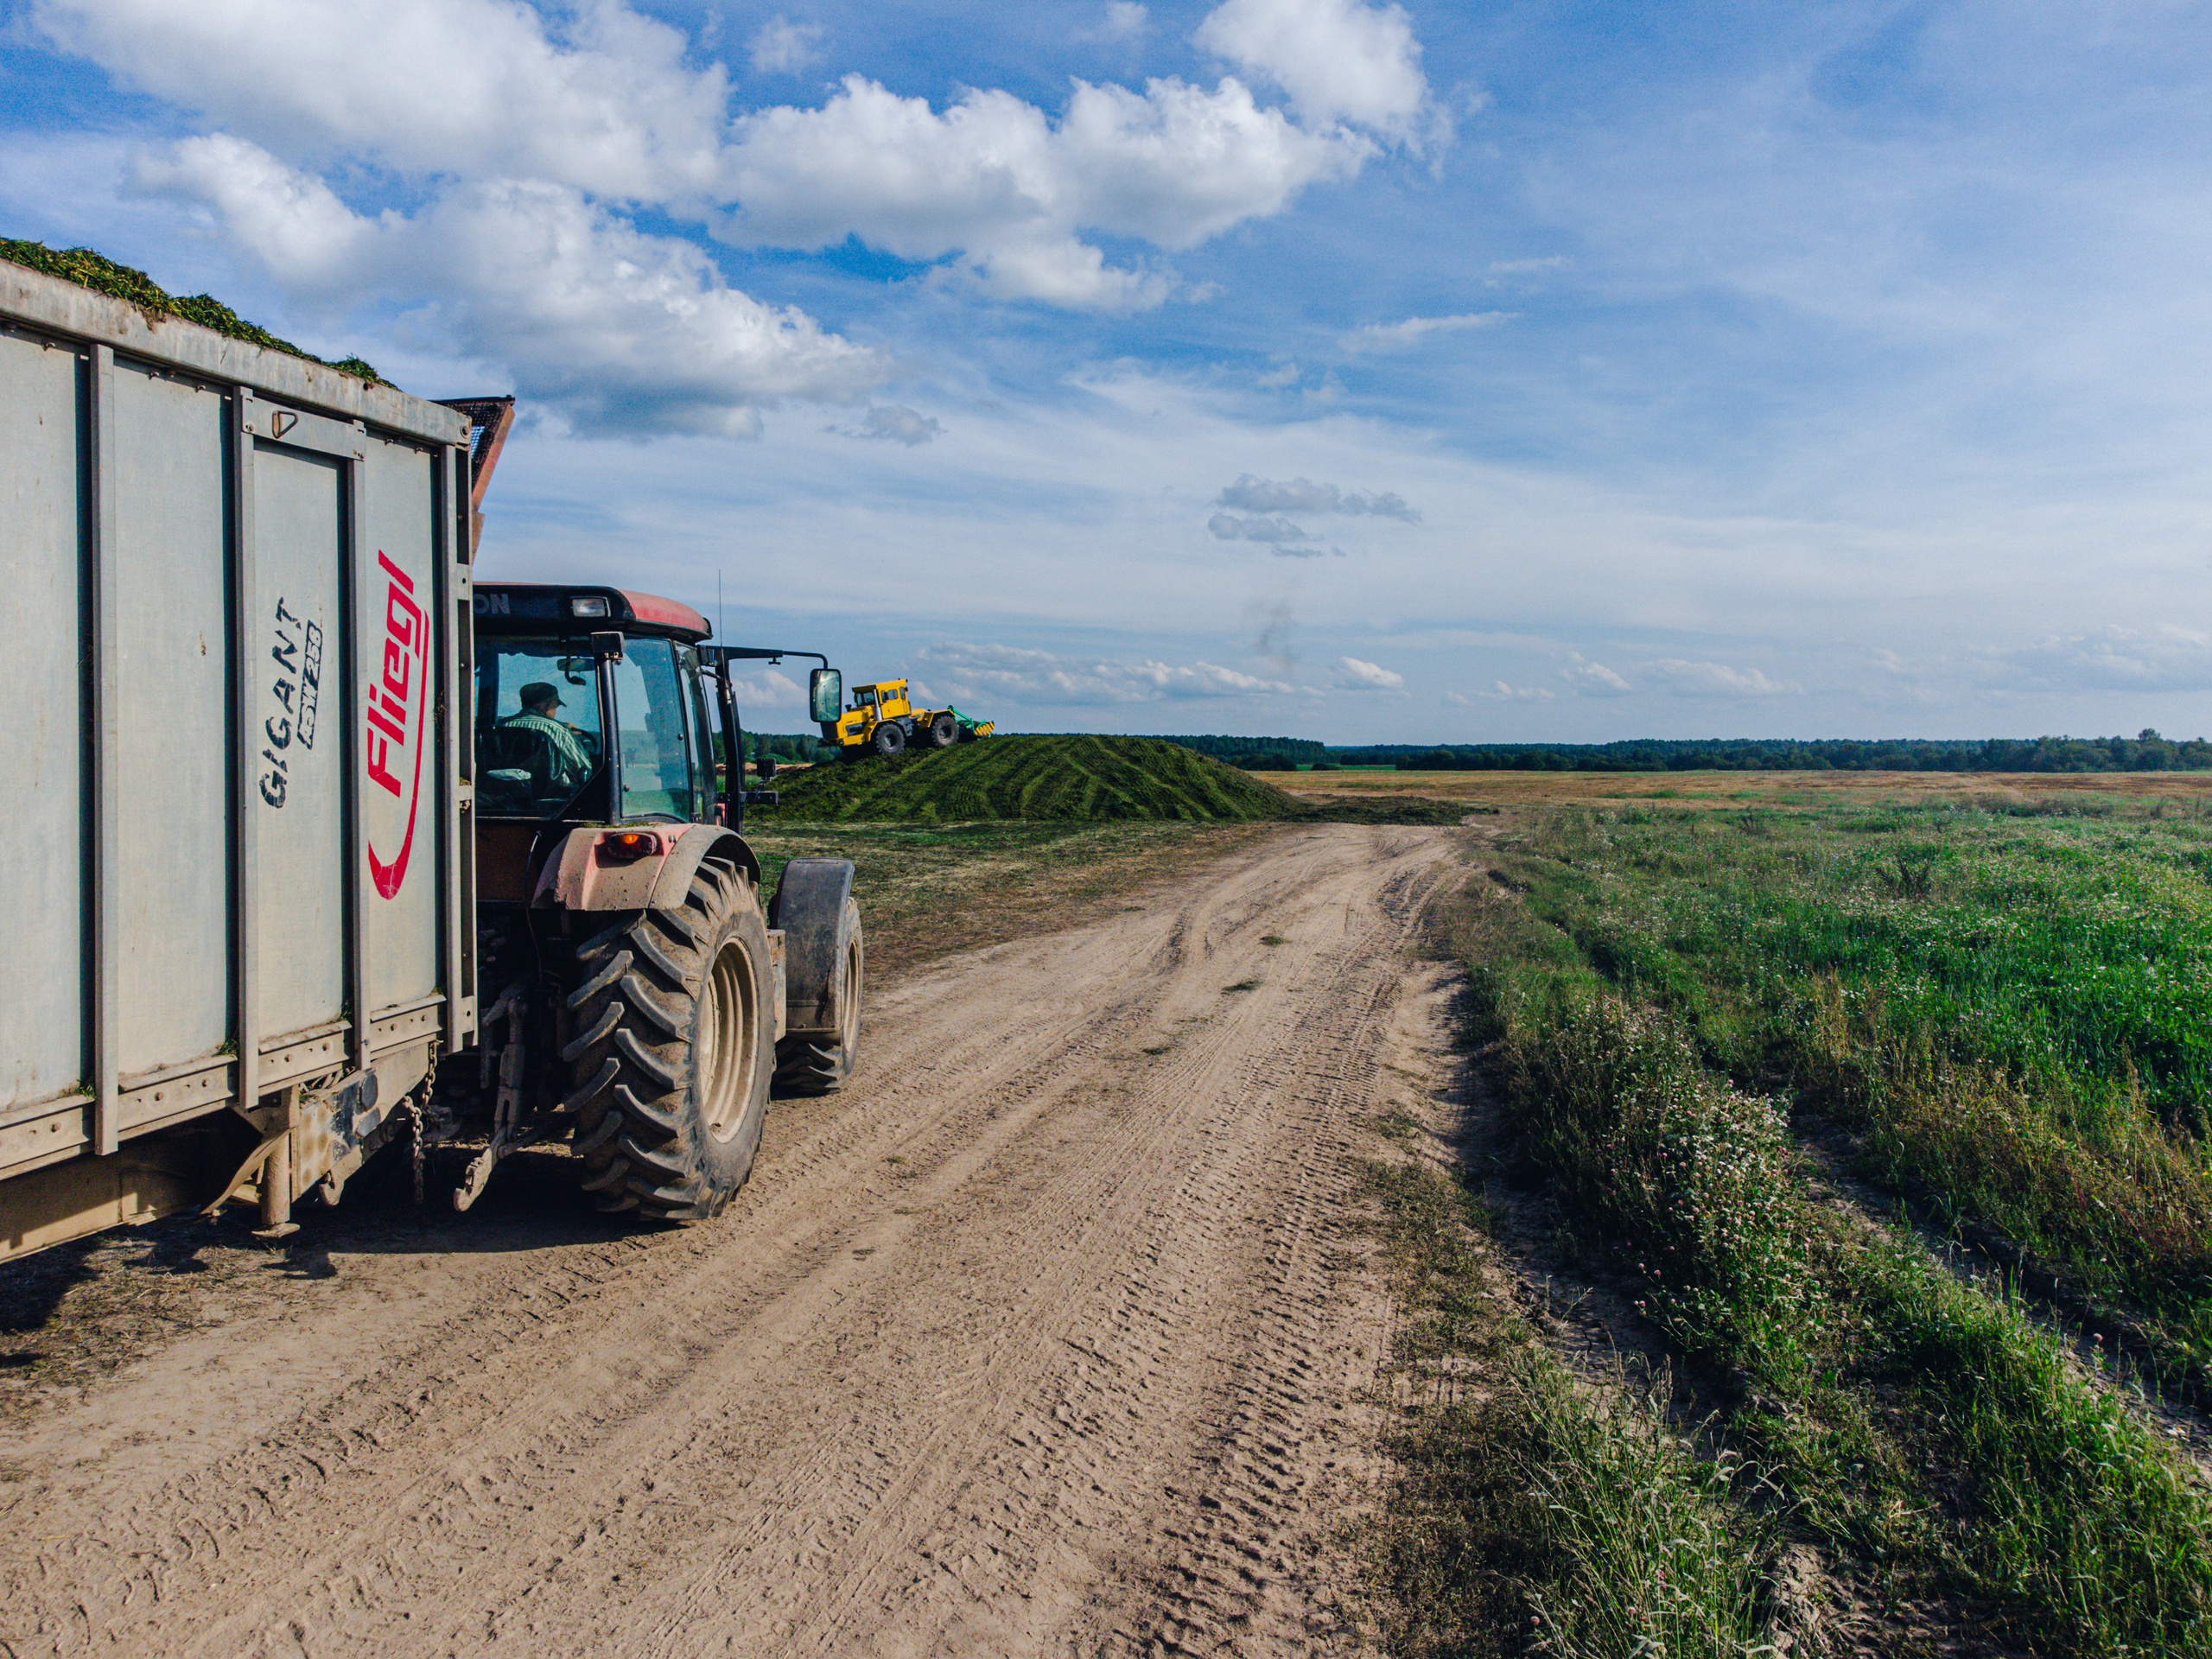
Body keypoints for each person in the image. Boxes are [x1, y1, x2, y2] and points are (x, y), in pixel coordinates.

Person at [501, 681, 594, 789]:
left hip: (504, 797)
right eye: (555, 705)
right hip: (551, 800)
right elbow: (584, 771)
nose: (555, 711)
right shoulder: (559, 731)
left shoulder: (501, 725)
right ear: (545, 705)